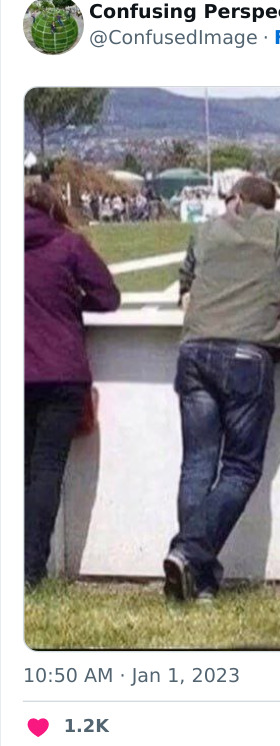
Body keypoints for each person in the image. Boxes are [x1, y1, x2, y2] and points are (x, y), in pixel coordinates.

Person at [163, 176, 280, 602]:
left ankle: (199, 581)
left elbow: (185, 287)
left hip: (194, 349)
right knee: (241, 469)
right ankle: (189, 554)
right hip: (247, 354)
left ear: (237, 199)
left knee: (196, 466)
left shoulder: (207, 230)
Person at [25, 184, 120, 588]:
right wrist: (70, 301)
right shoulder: (68, 244)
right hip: (61, 371)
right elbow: (108, 296)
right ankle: (29, 569)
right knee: (46, 470)